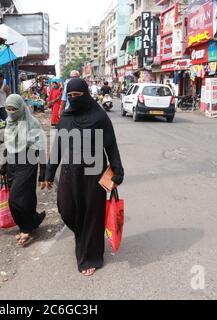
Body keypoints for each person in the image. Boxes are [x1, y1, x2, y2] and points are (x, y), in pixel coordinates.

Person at [42, 78, 124, 276]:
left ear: (86, 95)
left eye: (77, 96)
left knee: (91, 215)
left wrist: (117, 172)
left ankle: (90, 257)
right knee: (66, 209)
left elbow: (111, 146)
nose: (73, 99)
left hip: (93, 176)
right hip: (70, 173)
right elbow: (58, 147)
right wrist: (49, 173)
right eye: (70, 96)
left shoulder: (100, 117)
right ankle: (82, 234)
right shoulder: (66, 118)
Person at [0, 94, 47, 247]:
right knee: (25, 197)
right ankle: (29, 223)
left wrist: (43, 174)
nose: (11, 112)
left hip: (28, 162)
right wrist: (2, 167)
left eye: (14, 109)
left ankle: (27, 227)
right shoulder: (9, 122)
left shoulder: (32, 124)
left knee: (16, 198)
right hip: (11, 165)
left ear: (21, 108)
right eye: (8, 109)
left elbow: (41, 149)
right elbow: (7, 147)